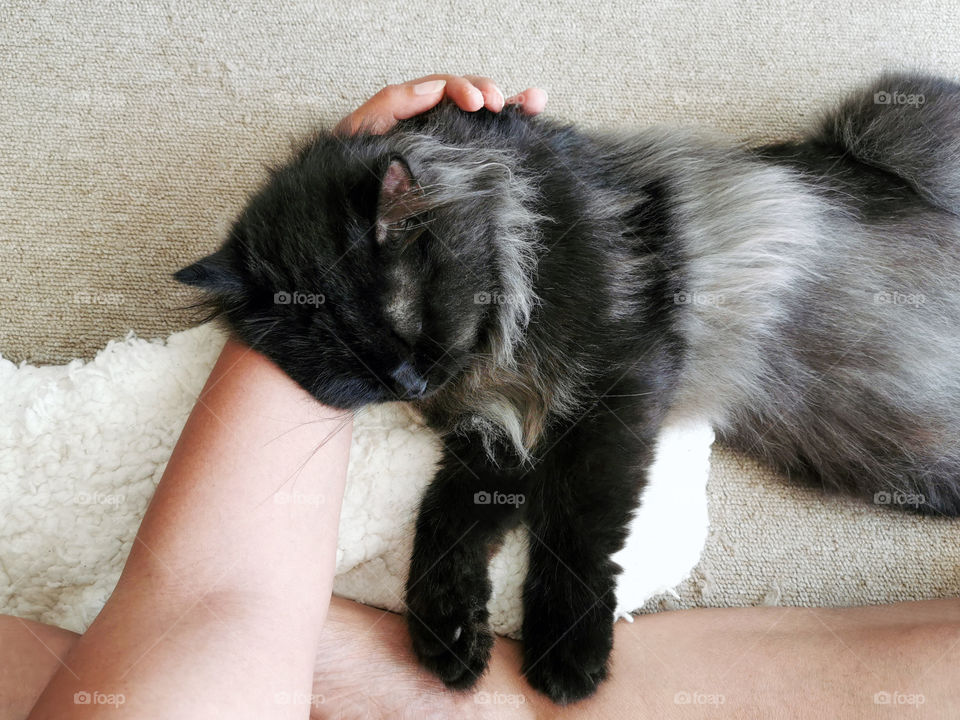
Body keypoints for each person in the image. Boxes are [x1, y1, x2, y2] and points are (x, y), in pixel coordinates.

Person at [2, 75, 958, 720]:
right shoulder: (429, 250)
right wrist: (447, 567)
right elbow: (490, 425)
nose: (409, 386)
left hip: (848, 281)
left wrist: (567, 586)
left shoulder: (493, 226)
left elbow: (615, 384)